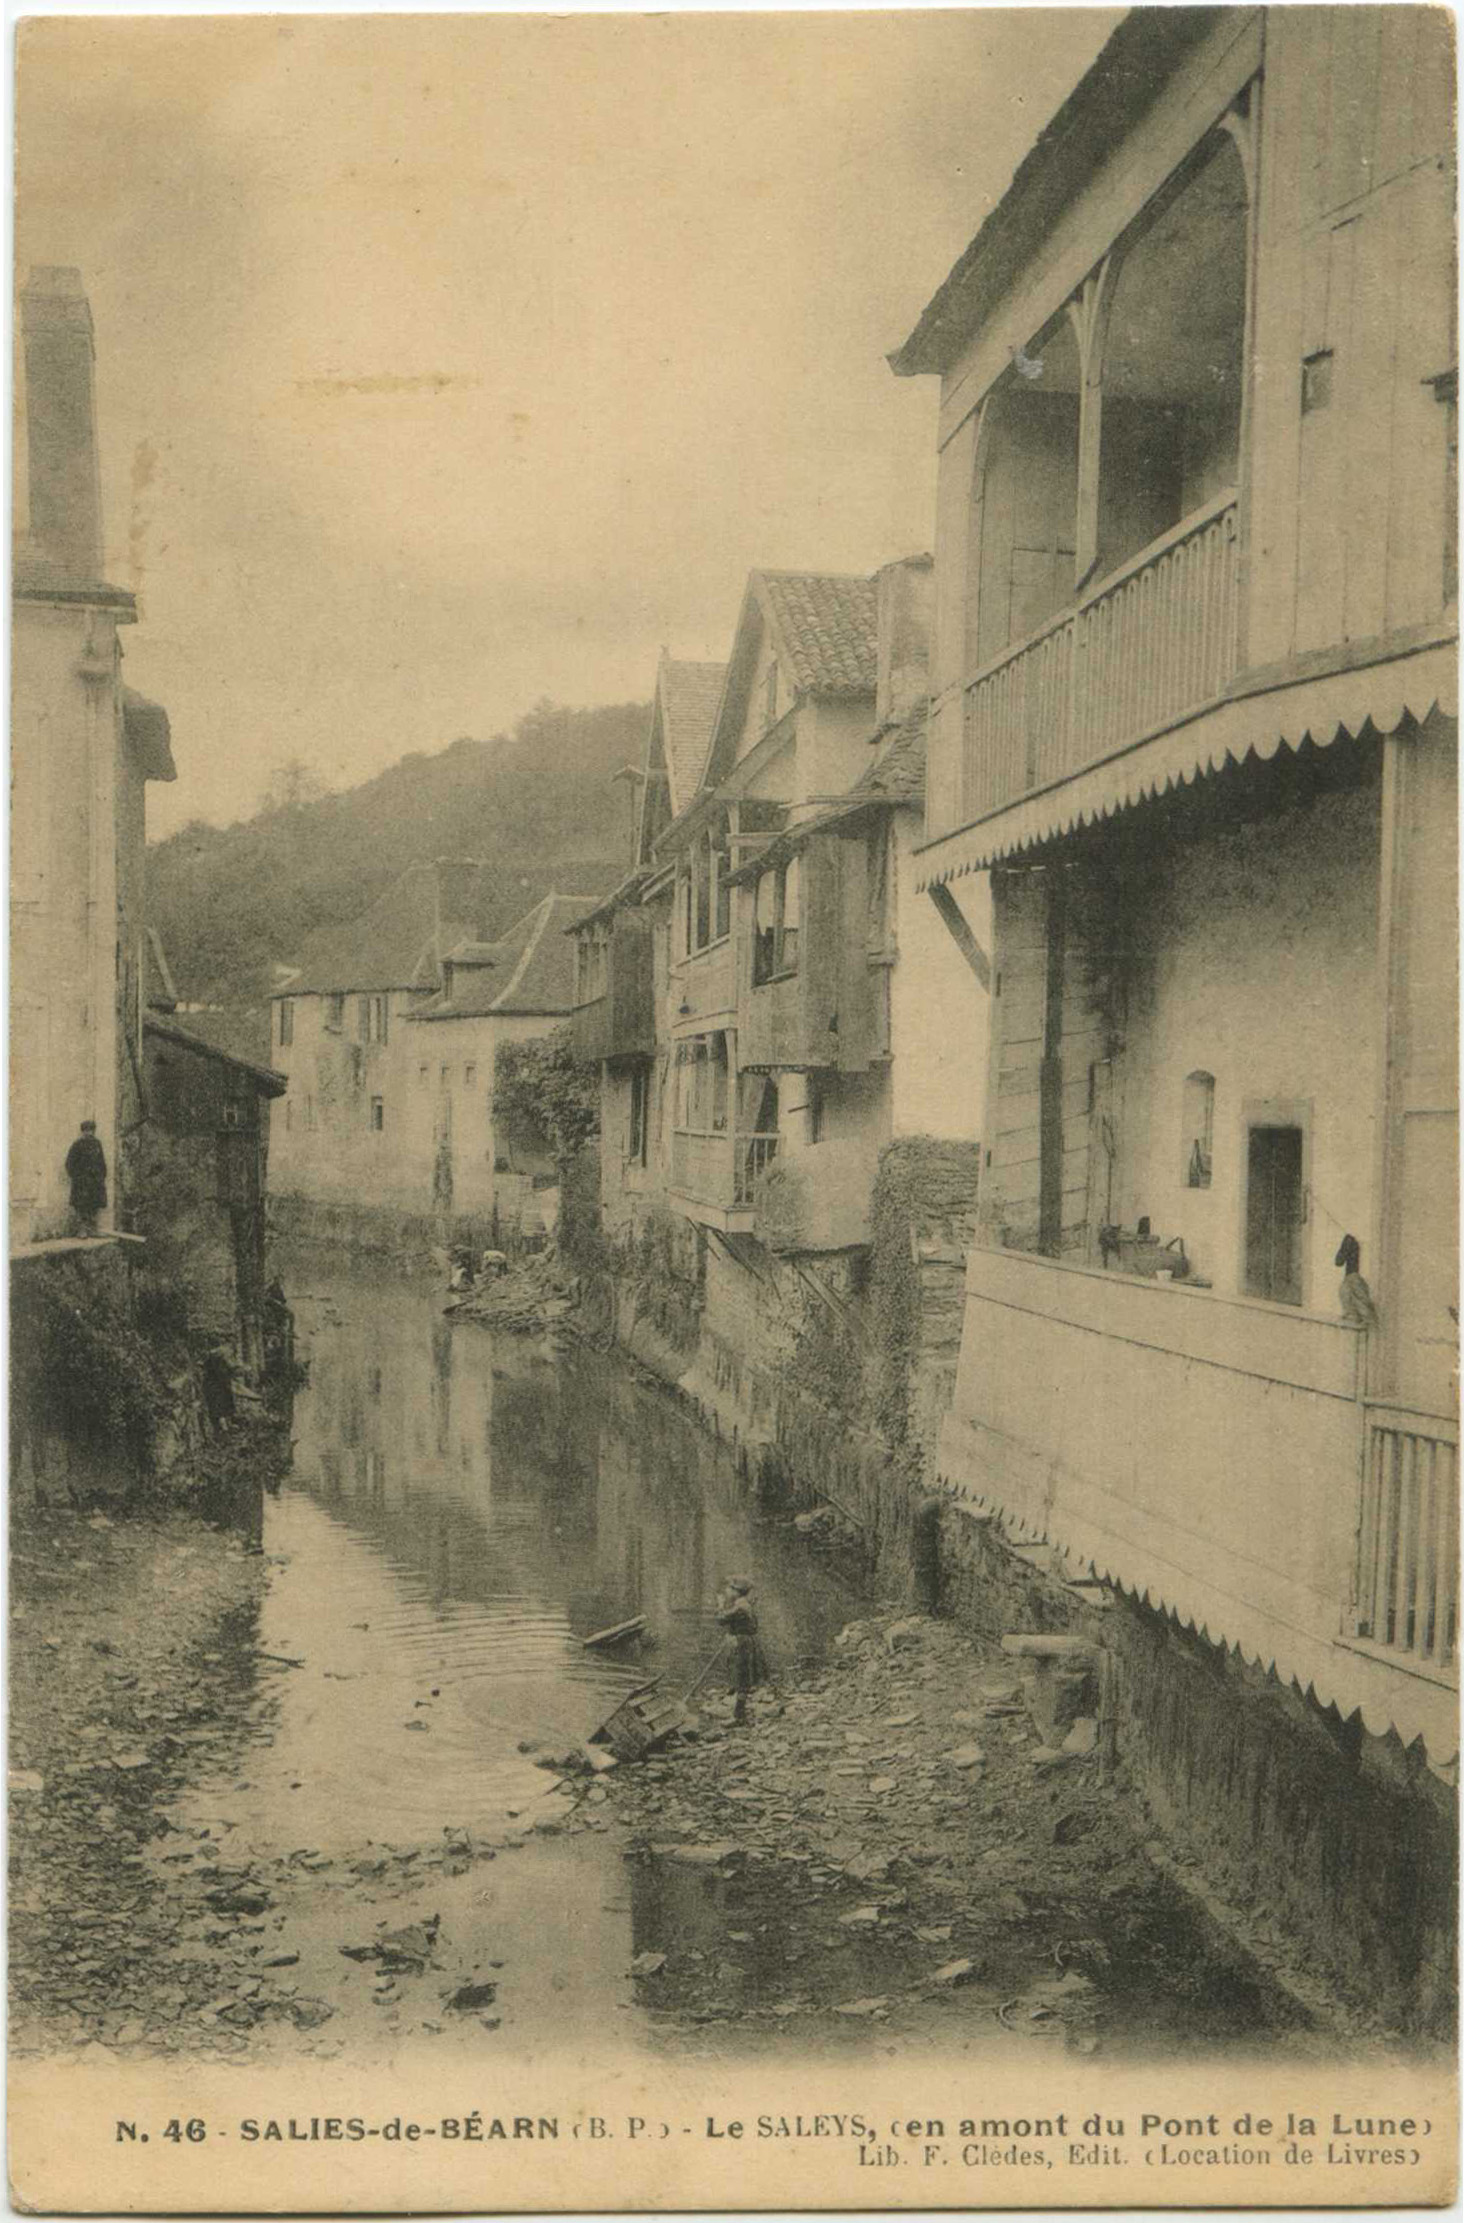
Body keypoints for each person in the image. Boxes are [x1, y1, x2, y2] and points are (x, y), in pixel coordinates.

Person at [64, 1121, 107, 1236]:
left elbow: (101, 1161)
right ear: (82, 1131)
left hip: (95, 1181)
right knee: (81, 1206)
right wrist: (77, 1176)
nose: (89, 1133)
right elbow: (69, 1163)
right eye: (86, 1130)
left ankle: (93, 1230)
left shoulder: (97, 1144)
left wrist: (102, 1175)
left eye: (91, 1130)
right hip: (82, 1182)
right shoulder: (77, 1145)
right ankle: (81, 1230)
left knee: (94, 1205)